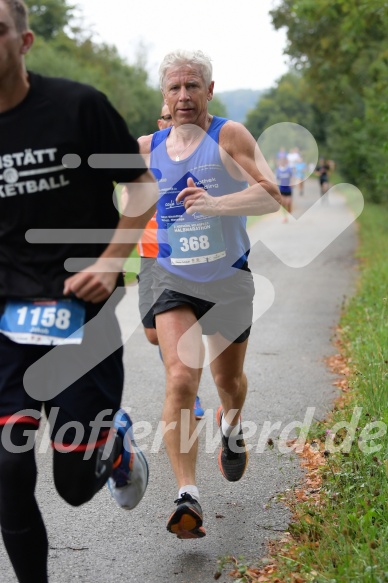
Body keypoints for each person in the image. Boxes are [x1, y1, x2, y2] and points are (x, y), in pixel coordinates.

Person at [0, 2, 158, 582]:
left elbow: (142, 189)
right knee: (8, 467)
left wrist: (109, 260)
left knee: (71, 486)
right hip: (6, 320)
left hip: (81, 316)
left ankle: (113, 448)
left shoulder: (78, 108)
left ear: (24, 40)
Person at [138, 49, 281, 539]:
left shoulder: (229, 136)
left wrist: (218, 204)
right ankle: (187, 494)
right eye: (175, 88)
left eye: (192, 86)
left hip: (228, 279)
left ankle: (232, 424)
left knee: (229, 380)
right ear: (164, 94)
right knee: (180, 377)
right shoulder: (147, 148)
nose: (183, 96)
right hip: (171, 278)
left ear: (209, 90)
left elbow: (271, 193)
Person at [130, 104, 205, 419]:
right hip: (148, 253)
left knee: (180, 323)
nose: (172, 120)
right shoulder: (144, 153)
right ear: (160, 121)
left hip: (183, 254)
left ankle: (186, 387)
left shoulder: (191, 153)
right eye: (166, 116)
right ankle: (182, 371)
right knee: (151, 333)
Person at [276, 153, 294, 221]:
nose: (282, 162)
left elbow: (292, 177)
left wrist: (291, 182)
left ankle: (289, 209)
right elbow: (277, 179)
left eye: (283, 160)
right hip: (282, 188)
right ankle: (285, 217)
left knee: (288, 202)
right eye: (281, 160)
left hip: (288, 188)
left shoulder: (288, 169)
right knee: (283, 203)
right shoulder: (278, 170)